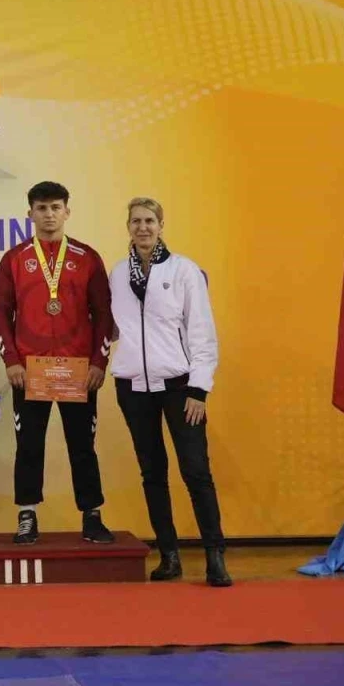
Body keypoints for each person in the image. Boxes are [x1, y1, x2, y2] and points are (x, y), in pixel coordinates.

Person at [109, 197, 231, 587]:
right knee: (152, 473)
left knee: (196, 471)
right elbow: (114, 327)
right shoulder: (118, 274)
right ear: (128, 227)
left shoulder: (183, 271)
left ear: (161, 225)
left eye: (149, 220)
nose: (143, 227)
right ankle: (169, 555)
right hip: (133, 388)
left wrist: (200, 388)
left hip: (181, 388)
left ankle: (215, 556)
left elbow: (202, 334)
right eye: (136, 221)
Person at [0, 181, 115, 545]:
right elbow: (1, 312)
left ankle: (92, 515)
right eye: (42, 208)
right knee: (29, 445)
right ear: (30, 213)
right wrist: (11, 360)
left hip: (78, 371)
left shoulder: (87, 257)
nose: (49, 214)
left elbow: (104, 312)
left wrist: (99, 362)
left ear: (67, 211)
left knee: (82, 445)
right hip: (30, 371)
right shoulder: (14, 259)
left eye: (56, 207)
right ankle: (27, 514)